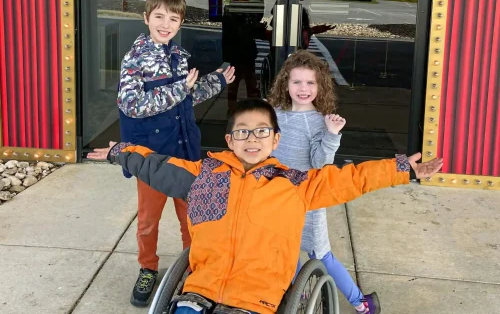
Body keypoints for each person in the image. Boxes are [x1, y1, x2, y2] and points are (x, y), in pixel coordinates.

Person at [88, 99, 443, 314]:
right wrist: (123, 153)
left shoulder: (296, 183)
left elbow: (352, 179)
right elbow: (158, 166)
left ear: (275, 140)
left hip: (256, 298)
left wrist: (401, 169)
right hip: (200, 289)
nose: (252, 138)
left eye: (261, 132)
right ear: (229, 140)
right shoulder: (203, 174)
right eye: (242, 132)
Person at [116, 0, 236, 307]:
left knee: (191, 218)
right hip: (153, 158)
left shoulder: (179, 58)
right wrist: (176, 90)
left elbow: (188, 97)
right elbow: (131, 105)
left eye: (173, 18)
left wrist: (218, 81)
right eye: (159, 16)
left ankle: (194, 266)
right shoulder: (136, 60)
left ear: (180, 23)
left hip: (184, 154)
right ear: (146, 18)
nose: (165, 23)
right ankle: (148, 268)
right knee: (148, 220)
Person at [268, 50, 378, 314]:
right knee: (286, 250)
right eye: (297, 82)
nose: (303, 89)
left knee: (320, 255)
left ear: (320, 86)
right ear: (286, 84)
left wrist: (331, 134)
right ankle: (297, 299)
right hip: (277, 197)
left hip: (308, 200)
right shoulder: (275, 113)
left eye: (310, 83)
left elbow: (319, 163)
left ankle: (361, 303)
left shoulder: (319, 121)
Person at [222, 0, 266, 114]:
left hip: (234, 42)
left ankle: (231, 109)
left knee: (234, 80)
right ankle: (252, 108)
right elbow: (259, 9)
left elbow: (226, 8)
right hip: (245, 44)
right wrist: (255, 25)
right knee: (250, 79)